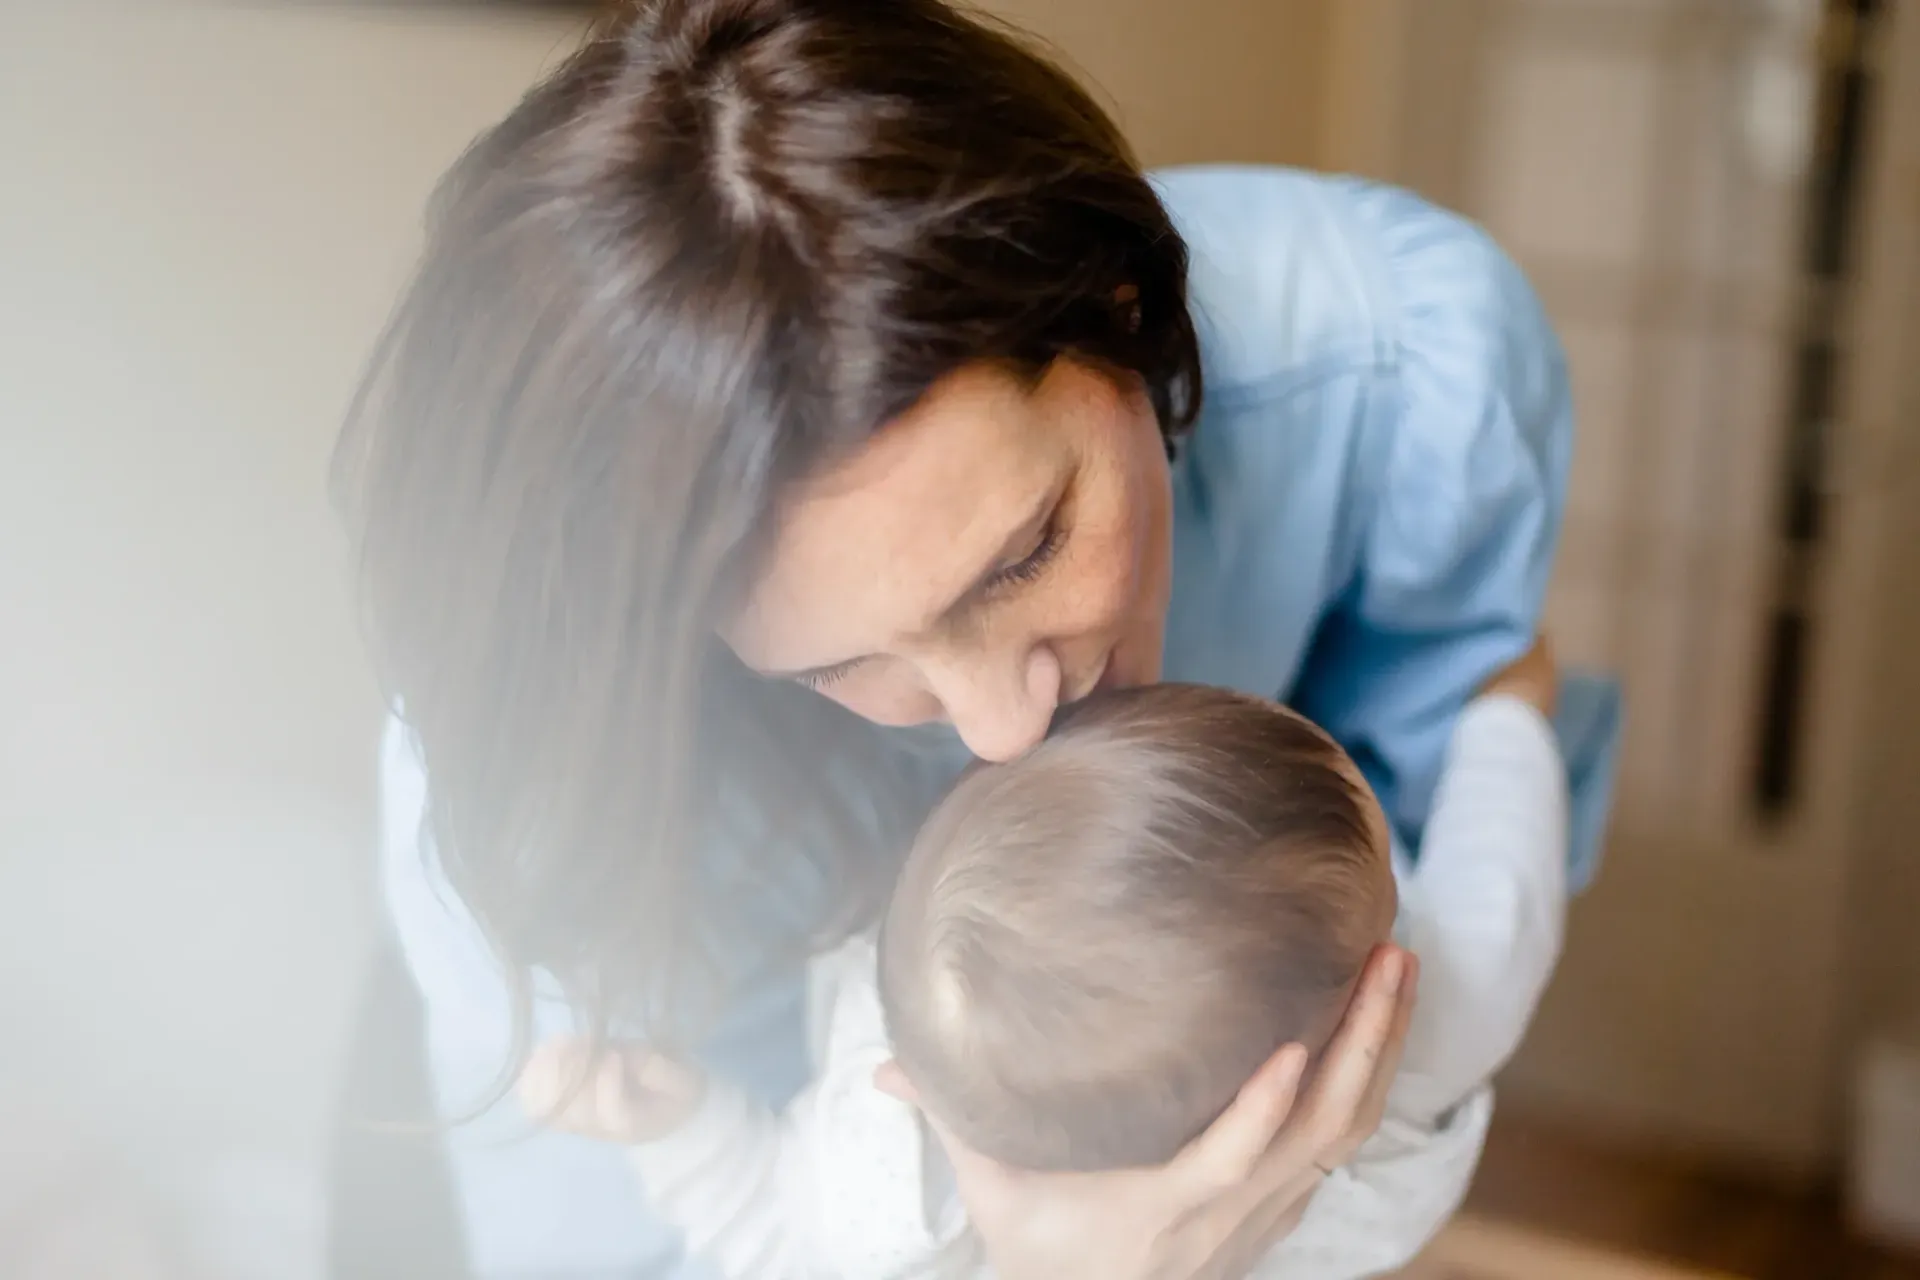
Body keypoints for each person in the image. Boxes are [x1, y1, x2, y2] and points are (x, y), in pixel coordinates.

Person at [334, 0, 1622, 1275]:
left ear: (1122, 304)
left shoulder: (1406, 385)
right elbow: (718, 1231)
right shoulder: (544, 800)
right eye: (836, 663)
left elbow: (1411, 846)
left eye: (1025, 552)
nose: (1004, 730)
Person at [522, 649, 1569, 1280]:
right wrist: (1507, 713)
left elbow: (775, 1231)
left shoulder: (886, 1175)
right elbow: (1502, 871)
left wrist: (684, 1128)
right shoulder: (1437, 1010)